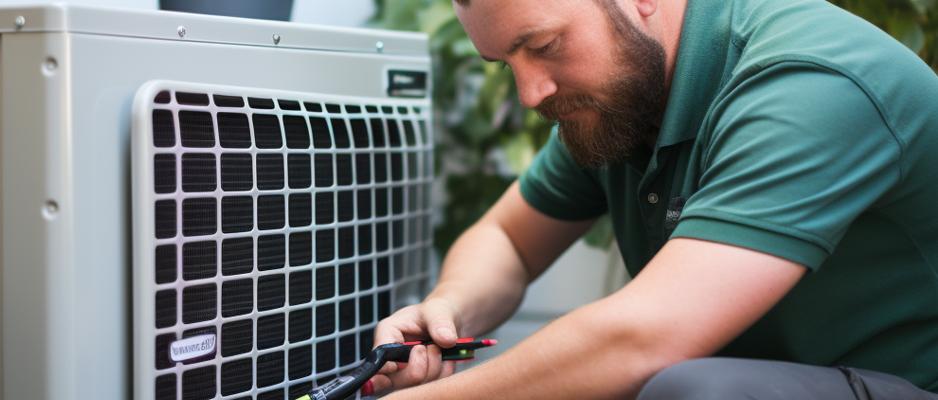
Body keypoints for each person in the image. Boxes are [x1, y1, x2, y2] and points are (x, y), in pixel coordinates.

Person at [370, 0, 938, 398]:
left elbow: (649, 337)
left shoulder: (808, 83)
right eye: (505, 64)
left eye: (542, 45)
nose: (529, 93)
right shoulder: (619, 101)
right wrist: (451, 309)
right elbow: (509, 239)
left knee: (693, 390)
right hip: (778, 382)